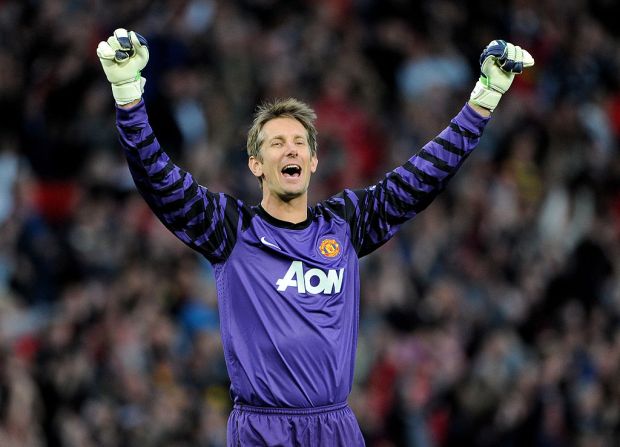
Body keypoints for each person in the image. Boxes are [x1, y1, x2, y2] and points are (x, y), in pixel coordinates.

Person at [97, 28, 533, 446]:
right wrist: (128, 97)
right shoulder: (231, 230)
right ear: (255, 165)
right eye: (276, 143)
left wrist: (483, 100)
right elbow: (160, 181)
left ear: (313, 161)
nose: (290, 149)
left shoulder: (345, 224)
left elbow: (421, 177)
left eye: (299, 143)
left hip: (335, 426)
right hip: (263, 429)